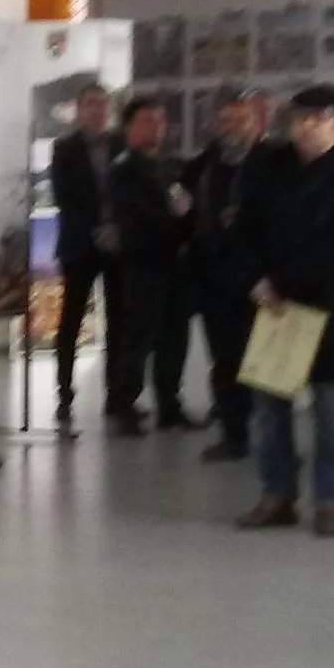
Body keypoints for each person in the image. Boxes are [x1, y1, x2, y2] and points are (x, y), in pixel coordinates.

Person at [236, 83, 334, 536]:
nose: (308, 128)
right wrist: (257, 279)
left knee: (331, 410)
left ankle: (331, 500)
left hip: (326, 306)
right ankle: (277, 494)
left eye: (320, 120)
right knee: (269, 411)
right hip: (273, 305)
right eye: (301, 119)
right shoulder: (267, 167)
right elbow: (243, 229)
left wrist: (286, 282)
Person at [184, 91, 267, 461]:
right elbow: (182, 203)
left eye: (240, 120)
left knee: (265, 360)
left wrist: (249, 217)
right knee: (225, 358)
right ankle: (234, 434)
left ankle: (273, 441)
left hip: (261, 277)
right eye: (225, 121)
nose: (232, 128)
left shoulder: (272, 163)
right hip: (215, 276)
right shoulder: (204, 165)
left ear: (255, 123)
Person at [99, 95, 187, 434]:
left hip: (174, 262)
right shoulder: (123, 170)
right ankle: (124, 405)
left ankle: (169, 404)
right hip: (143, 263)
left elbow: (183, 206)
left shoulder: (166, 165)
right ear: (129, 128)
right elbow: (139, 217)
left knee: (173, 336)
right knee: (139, 336)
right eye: (147, 121)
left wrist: (182, 217)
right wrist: (174, 217)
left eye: (160, 121)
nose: (156, 127)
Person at [46, 84, 116, 433]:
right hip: (79, 245)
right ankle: (64, 393)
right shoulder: (65, 148)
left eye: (102, 104)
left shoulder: (119, 144)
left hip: (116, 247)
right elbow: (64, 196)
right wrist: (94, 230)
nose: (97, 110)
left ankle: (117, 395)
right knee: (71, 320)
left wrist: (115, 229)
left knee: (119, 321)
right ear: (79, 109)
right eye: (91, 104)